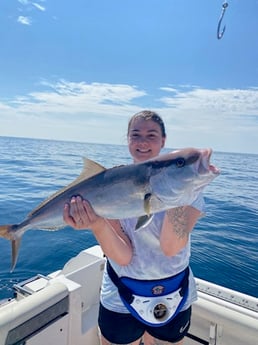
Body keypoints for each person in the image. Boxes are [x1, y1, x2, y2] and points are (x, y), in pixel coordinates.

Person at [63, 110, 204, 345]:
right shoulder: (111, 186)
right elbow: (123, 255)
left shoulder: (189, 187)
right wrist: (97, 223)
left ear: (163, 140)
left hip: (175, 291)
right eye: (135, 134)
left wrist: (178, 193)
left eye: (151, 134)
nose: (143, 141)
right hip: (121, 294)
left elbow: (171, 247)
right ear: (127, 139)